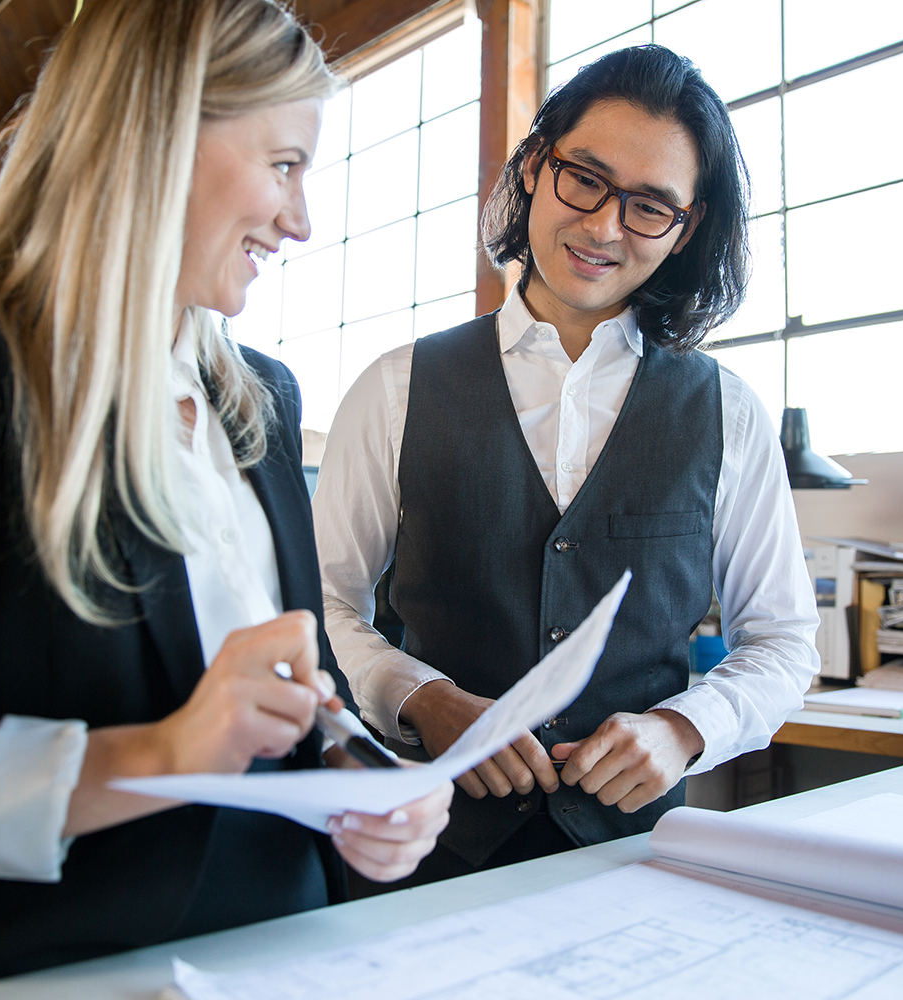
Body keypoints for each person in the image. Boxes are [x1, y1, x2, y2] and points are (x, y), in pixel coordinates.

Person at [0, 1, 448, 996]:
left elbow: (295, 680)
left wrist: (357, 773)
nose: (301, 218)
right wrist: (154, 753)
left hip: (285, 963)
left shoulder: (261, 399)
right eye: (283, 164)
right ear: (158, 130)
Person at [313, 44, 819, 885]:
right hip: (424, 852)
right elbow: (324, 606)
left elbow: (782, 640)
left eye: (650, 206)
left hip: (638, 863)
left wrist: (683, 729)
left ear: (686, 228)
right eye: (584, 177)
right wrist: (417, 696)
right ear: (537, 166)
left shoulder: (727, 411)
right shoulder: (395, 387)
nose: (604, 226)